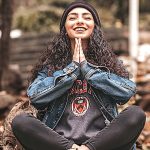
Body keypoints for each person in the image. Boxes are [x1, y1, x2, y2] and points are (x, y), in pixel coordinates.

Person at [11, 1, 146, 150]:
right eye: (73, 17)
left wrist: (88, 70)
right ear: (65, 28)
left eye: (87, 17)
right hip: (61, 145)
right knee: (21, 121)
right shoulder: (50, 66)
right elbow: (35, 97)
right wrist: (72, 70)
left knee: (136, 114)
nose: (80, 21)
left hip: (102, 144)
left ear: (94, 26)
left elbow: (127, 92)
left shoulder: (109, 63)